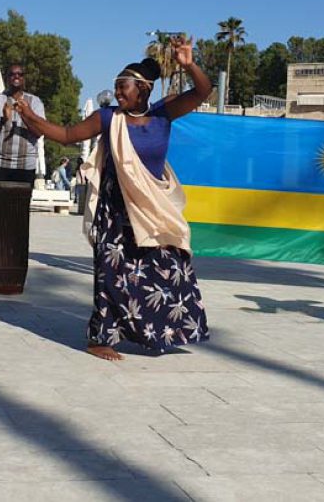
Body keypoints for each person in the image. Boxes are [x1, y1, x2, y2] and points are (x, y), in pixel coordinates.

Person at [15, 39, 213, 361]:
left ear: (144, 90)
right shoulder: (107, 118)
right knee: (111, 276)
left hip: (152, 210)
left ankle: (158, 331)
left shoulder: (163, 114)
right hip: (115, 211)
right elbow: (67, 135)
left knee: (166, 269)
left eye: (125, 88)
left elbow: (203, 92)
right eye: (116, 88)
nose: (118, 94)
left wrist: (189, 64)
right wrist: (30, 118)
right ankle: (100, 338)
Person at [0, 63, 45, 183]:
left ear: (24, 78)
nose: (16, 77)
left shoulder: (35, 102)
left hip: (25, 165)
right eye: (12, 74)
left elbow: (39, 133)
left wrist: (25, 115)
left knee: (20, 202)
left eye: (20, 74)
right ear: (6, 78)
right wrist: (3, 120)